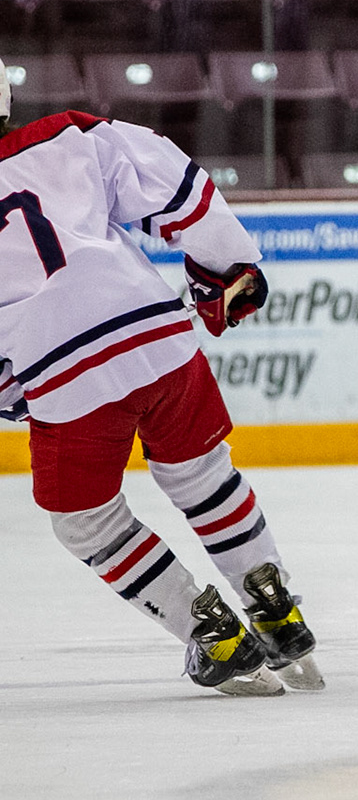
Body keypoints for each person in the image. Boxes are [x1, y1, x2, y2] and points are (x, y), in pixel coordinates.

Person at [0, 71, 321, 696]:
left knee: (85, 520)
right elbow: (177, 187)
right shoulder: (70, 135)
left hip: (64, 368)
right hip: (158, 332)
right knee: (203, 476)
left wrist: (13, 391)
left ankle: (212, 633)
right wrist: (226, 267)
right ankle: (274, 603)